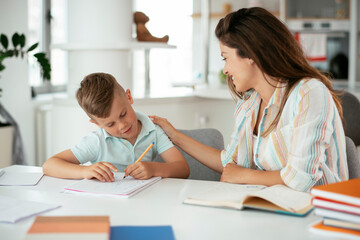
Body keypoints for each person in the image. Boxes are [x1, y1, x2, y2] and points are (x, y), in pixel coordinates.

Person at [150, 7, 349, 192]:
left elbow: (301, 179)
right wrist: (173, 135)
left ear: (251, 54)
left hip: (317, 215)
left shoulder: (309, 93)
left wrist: (244, 175)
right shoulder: (249, 105)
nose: (225, 69)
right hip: (271, 207)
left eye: (225, 57)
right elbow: (229, 163)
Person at [43, 72, 189, 182]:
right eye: (110, 124)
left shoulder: (153, 130)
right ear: (97, 124)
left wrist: (154, 168)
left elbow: (183, 169)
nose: (122, 125)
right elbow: (49, 165)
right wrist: (85, 171)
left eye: (123, 114)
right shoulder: (96, 142)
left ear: (129, 97)